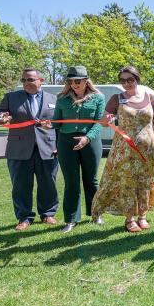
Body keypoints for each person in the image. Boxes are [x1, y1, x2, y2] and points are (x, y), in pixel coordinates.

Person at [92, 66, 154, 233]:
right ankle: (129, 218)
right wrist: (107, 118)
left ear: (137, 79)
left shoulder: (150, 97)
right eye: (123, 80)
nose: (127, 83)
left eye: (130, 80)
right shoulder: (116, 99)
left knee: (145, 182)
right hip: (124, 150)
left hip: (148, 150)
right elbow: (103, 122)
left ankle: (142, 216)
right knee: (127, 183)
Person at [0, 68, 59, 231]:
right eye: (24, 80)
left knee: (48, 183)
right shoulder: (11, 97)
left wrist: (58, 146)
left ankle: (48, 214)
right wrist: (1, 117)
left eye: (30, 80)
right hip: (19, 148)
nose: (26, 83)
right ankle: (24, 217)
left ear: (41, 80)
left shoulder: (54, 98)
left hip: (48, 148)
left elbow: (59, 123)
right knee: (21, 185)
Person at [42, 66, 104, 233]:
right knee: (71, 181)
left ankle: (96, 213)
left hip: (90, 141)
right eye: (70, 81)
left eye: (78, 81)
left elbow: (99, 123)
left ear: (86, 81)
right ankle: (70, 219)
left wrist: (87, 138)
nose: (74, 84)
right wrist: (49, 125)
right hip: (66, 141)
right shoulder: (62, 98)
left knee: (91, 180)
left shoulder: (98, 98)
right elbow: (57, 122)